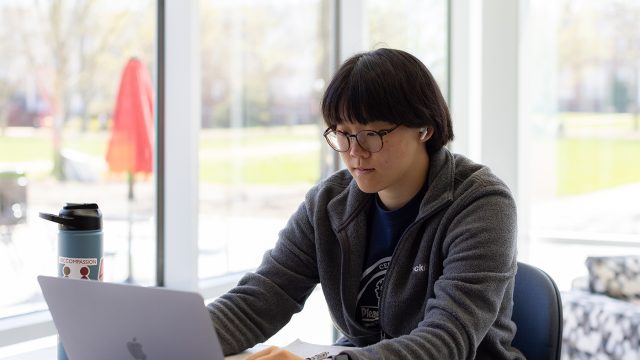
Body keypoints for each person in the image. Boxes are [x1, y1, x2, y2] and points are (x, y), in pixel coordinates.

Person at [207, 48, 523, 359]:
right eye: (342, 133)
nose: (355, 151)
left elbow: (447, 340)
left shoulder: (482, 203)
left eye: (371, 133)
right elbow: (263, 297)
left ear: (424, 128)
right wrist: (179, 340)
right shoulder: (327, 205)